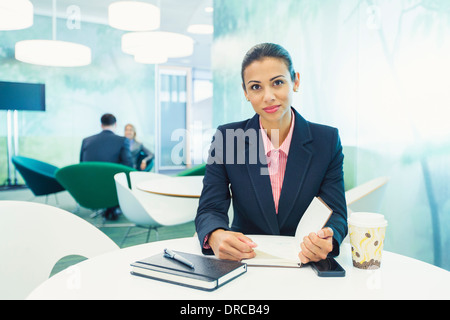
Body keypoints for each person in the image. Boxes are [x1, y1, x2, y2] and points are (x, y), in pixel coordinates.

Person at [195, 43, 348, 264]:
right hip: (246, 259)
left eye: (277, 82)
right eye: (256, 87)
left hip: (305, 261)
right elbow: (209, 208)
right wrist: (217, 235)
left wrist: (329, 240)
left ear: (295, 81)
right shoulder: (227, 139)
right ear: (246, 92)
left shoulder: (327, 140)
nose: (268, 96)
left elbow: (337, 213)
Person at [80, 113, 133, 220]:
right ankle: (113, 207)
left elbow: (81, 164)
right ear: (115, 124)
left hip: (89, 187)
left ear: (101, 125)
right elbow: (128, 165)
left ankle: (108, 208)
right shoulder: (122, 141)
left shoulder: (86, 141)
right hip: (112, 188)